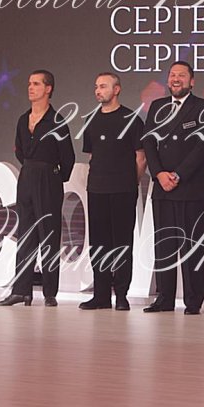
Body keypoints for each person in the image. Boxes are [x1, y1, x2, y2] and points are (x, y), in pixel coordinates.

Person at [142, 61, 204, 315]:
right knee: (164, 245)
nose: (176, 79)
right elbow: (149, 142)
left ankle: (193, 301)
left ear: (191, 81)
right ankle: (164, 298)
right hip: (162, 186)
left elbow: (202, 147)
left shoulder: (203, 107)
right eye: (173, 75)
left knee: (191, 246)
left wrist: (177, 175)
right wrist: (159, 174)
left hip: (189, 186)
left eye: (181, 75)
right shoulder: (157, 106)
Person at [0, 70, 76, 307]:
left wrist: (54, 176)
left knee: (48, 234)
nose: (30, 88)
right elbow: (20, 151)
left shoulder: (57, 121)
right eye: (29, 84)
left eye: (36, 84)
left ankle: (49, 292)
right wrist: (32, 169)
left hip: (49, 179)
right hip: (27, 178)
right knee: (25, 234)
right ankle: (21, 291)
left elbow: (68, 157)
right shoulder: (23, 119)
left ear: (48, 88)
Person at [79, 72, 146, 312]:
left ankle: (122, 295)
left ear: (116, 89)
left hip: (123, 190)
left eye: (103, 86)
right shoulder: (90, 119)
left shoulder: (131, 119)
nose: (98, 90)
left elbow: (141, 157)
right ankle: (101, 295)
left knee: (122, 243)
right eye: (96, 86)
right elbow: (92, 155)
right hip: (97, 189)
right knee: (98, 243)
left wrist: (130, 182)